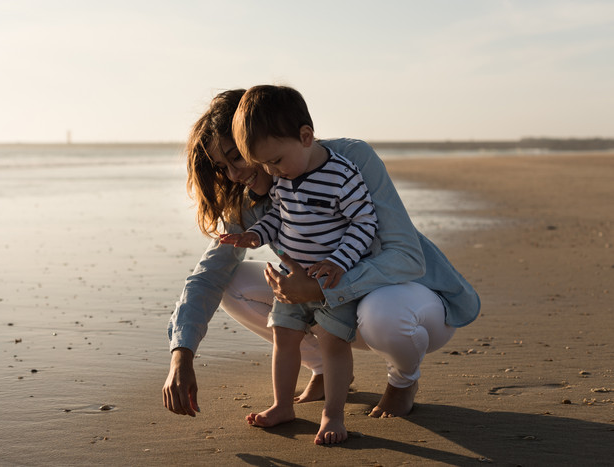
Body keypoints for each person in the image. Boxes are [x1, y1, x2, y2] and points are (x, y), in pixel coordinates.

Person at [162, 87, 480, 436]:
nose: (235, 175)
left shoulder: (349, 160)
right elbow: (207, 277)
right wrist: (182, 354)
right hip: (335, 308)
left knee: (383, 314)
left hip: (413, 302)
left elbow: (407, 257)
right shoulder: (255, 198)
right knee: (230, 283)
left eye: (236, 157)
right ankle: (323, 370)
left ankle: (403, 380)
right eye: (223, 167)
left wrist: (317, 287)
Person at [219, 85, 377, 444]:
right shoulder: (285, 178)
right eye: (265, 164)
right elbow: (278, 217)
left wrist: (339, 261)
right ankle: (282, 406)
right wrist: (255, 236)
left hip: (332, 281)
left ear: (305, 137)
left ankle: (332, 415)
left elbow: (364, 223)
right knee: (284, 337)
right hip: (293, 282)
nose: (271, 171)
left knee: (332, 342)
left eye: (275, 160)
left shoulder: (341, 174)